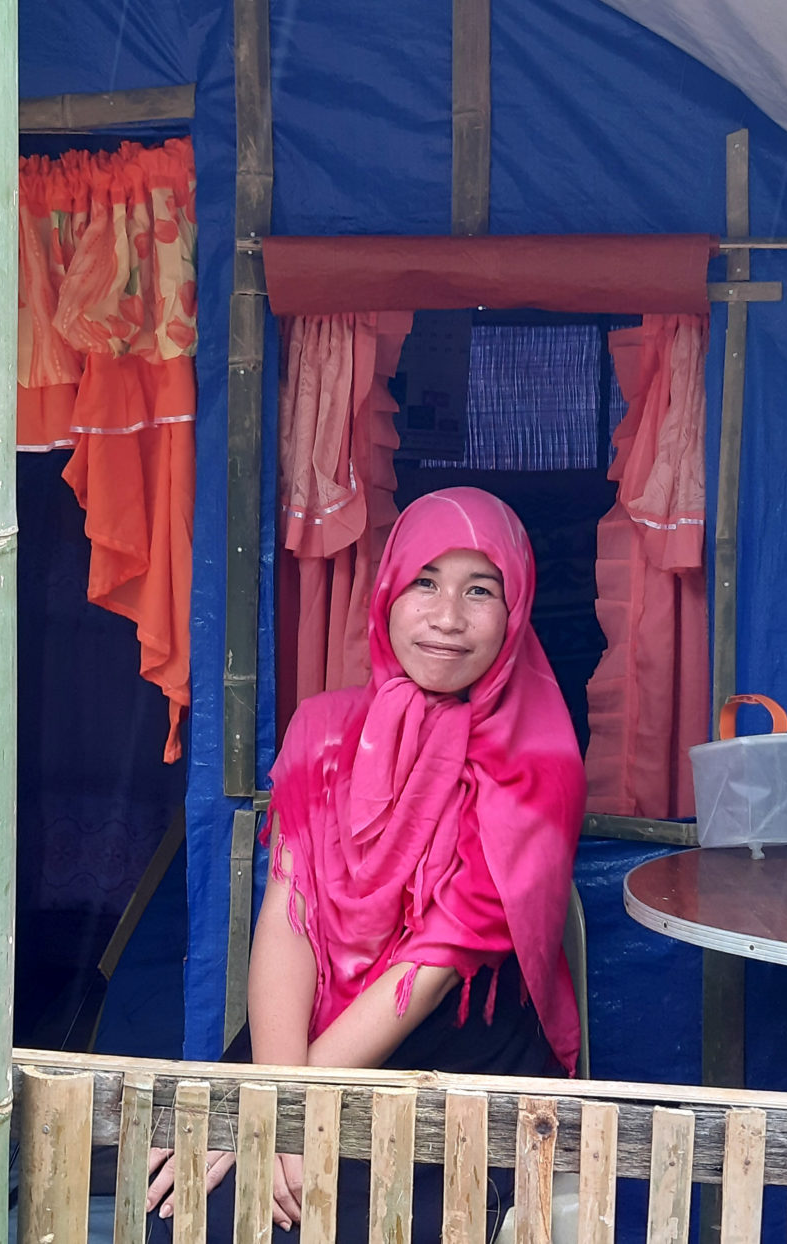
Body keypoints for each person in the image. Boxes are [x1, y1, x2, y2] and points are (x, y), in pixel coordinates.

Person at [145, 486, 586, 1243]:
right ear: (387, 592)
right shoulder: (322, 729)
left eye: (480, 590)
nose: (448, 617)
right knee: (198, 1209)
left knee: (347, 1222)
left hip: (456, 1050)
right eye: (425, 581)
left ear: (514, 612)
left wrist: (284, 1116)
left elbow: (432, 963)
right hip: (308, 1028)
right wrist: (277, 1102)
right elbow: (289, 921)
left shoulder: (537, 766)